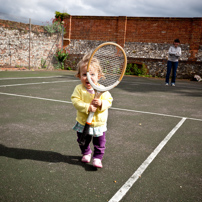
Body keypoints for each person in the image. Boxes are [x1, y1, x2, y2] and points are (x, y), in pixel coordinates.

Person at [71, 53, 113, 168]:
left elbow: (109, 101)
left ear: (98, 76)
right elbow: (75, 101)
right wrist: (87, 107)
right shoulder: (79, 89)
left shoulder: (103, 90)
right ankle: (86, 152)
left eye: (92, 74)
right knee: (82, 140)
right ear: (79, 76)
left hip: (99, 123)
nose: (88, 77)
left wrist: (101, 104)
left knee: (99, 143)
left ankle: (98, 158)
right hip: (83, 122)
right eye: (85, 74)